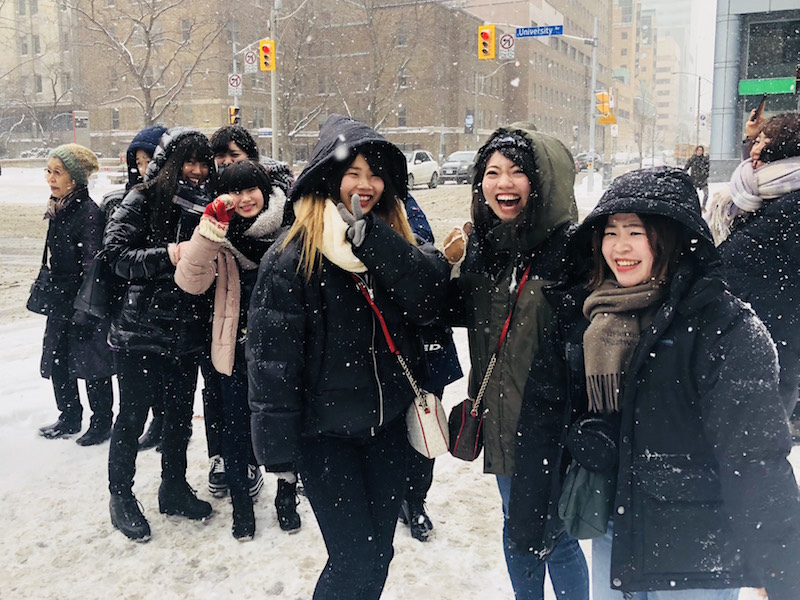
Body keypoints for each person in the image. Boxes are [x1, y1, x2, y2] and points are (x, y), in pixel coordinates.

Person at [510, 166, 800, 600]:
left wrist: (783, 569)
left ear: (671, 238)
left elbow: (755, 455)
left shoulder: (724, 326)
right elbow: (542, 419)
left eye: (637, 232)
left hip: (696, 548)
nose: (620, 248)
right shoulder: (583, 316)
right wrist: (529, 520)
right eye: (610, 232)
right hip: (614, 527)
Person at [246, 114, 449, 599]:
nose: (365, 185)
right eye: (353, 172)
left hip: (386, 432)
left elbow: (429, 299)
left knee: (379, 553)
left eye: (375, 174)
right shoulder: (293, 257)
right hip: (326, 438)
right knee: (355, 558)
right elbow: (272, 363)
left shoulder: (394, 244)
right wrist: (278, 449)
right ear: (328, 177)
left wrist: (379, 243)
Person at [442, 124, 589, 600]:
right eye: (492, 172)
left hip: (555, 424)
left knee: (557, 536)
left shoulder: (573, 252)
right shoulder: (486, 248)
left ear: (542, 180)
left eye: (517, 172)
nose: (503, 183)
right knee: (517, 527)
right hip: (503, 420)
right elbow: (450, 309)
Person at [174, 159, 299, 540]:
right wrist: (208, 234)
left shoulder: (291, 228)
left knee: (287, 425)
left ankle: (286, 498)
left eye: (251, 189)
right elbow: (189, 281)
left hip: (285, 348)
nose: (245, 199)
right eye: (235, 191)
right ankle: (241, 508)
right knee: (235, 428)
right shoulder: (219, 234)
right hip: (236, 348)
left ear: (264, 190)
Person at [104, 127, 217, 542]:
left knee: (178, 419)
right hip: (141, 330)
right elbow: (115, 256)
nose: (198, 171)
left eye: (205, 164)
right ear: (170, 163)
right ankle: (121, 495)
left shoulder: (212, 209)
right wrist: (170, 254)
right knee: (132, 416)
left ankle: (173, 487)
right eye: (189, 162)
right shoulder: (145, 198)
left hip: (187, 331)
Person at [707, 112, 800, 427]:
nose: (755, 151)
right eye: (756, 141)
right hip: (750, 334)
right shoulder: (765, 193)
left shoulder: (790, 205)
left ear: (786, 152)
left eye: (764, 142)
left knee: (753, 445)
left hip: (774, 341)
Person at [37, 144, 115, 446]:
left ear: (76, 179)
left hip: (84, 300)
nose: (51, 178)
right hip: (60, 298)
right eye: (49, 171)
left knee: (93, 364)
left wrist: (85, 307)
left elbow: (93, 265)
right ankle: (69, 416)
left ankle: (101, 421)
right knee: (59, 360)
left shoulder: (88, 213)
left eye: (58, 172)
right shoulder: (59, 207)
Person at [398, 194, 463, 542]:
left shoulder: (405, 206)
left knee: (425, 428)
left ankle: (416, 500)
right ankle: (390, 499)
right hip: (374, 352)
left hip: (422, 347)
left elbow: (425, 250)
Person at [100, 124, 169, 452]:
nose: (144, 169)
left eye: (150, 160)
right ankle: (120, 492)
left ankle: (163, 425)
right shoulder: (125, 200)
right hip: (130, 312)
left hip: (165, 312)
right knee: (133, 405)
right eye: (138, 162)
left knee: (169, 393)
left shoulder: (170, 201)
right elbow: (115, 257)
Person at [684, 145, 709, 209]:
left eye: (701, 150)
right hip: (694, 180)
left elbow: (707, 169)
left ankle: (703, 206)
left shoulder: (704, 159)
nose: (699, 152)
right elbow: (686, 167)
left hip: (703, 180)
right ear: (696, 151)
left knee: (706, 194)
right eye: (698, 150)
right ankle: (694, 206)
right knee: (693, 195)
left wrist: (705, 175)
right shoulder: (693, 158)